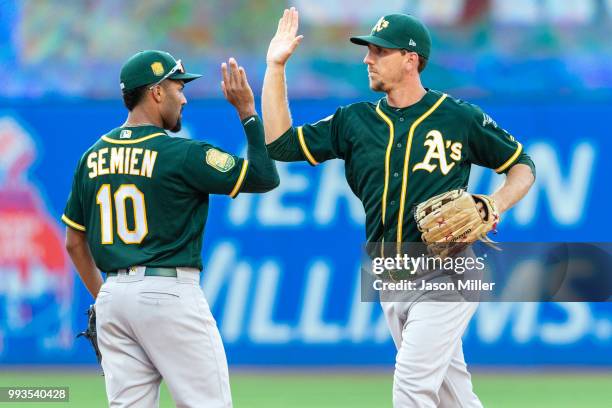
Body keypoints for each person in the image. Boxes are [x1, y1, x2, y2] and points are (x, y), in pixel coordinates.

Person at [263, 9, 535, 407]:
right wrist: (275, 66)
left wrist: (494, 204)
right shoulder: (353, 121)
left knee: (411, 389)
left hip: (449, 271)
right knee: (452, 396)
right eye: (368, 51)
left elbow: (521, 166)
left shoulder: (458, 117)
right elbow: (281, 145)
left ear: (410, 59)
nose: (367, 59)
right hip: (389, 274)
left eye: (378, 51)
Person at [62, 50, 279, 407]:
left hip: (114, 298)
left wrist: (103, 297)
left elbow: (74, 243)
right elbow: (264, 176)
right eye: (178, 87)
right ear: (156, 92)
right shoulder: (180, 154)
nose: (184, 97)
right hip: (168, 294)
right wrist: (247, 113)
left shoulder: (92, 157)